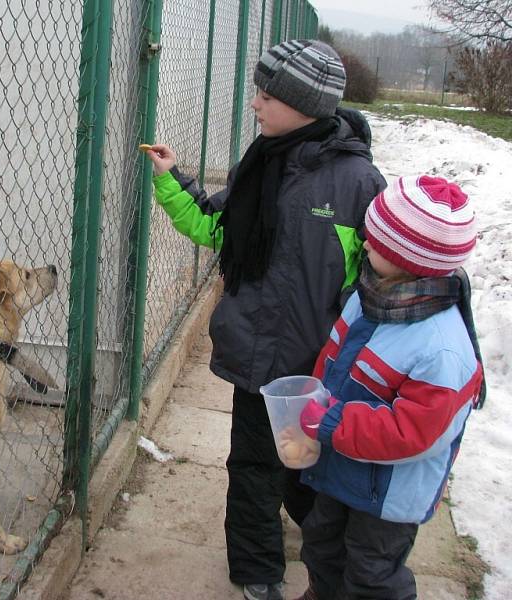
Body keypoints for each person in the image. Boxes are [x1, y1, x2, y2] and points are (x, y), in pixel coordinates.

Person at [144, 39, 386, 600]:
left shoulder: (357, 184)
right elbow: (215, 226)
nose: (255, 105)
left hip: (321, 368)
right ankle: (257, 572)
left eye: (265, 95)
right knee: (254, 468)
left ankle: (325, 546)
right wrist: (171, 178)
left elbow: (379, 275)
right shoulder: (260, 167)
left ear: (302, 104)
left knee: (313, 468)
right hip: (259, 360)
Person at [294, 175, 485, 600]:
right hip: (341, 464)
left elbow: (415, 433)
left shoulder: (442, 350)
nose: (364, 243)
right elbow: (335, 357)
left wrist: (331, 420)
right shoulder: (370, 296)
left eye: (376, 240)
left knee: (371, 573)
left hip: (387, 495)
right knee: (322, 545)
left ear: (408, 259)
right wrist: (314, 398)